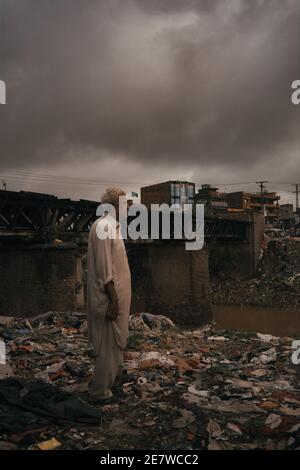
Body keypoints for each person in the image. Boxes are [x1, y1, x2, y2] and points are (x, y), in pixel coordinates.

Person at [87, 187, 131, 403]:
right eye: (125, 203)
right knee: (108, 346)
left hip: (116, 297)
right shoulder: (104, 227)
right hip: (108, 299)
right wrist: (113, 300)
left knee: (115, 344)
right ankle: (99, 392)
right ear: (116, 205)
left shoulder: (112, 227)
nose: (129, 207)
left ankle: (116, 378)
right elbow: (105, 271)